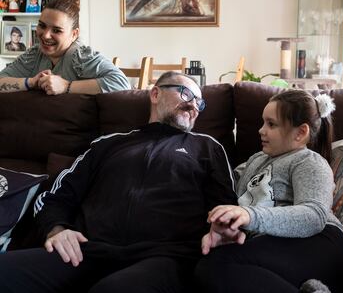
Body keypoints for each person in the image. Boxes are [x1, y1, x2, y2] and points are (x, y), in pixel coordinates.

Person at [0, 71, 237, 293]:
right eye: (186, 94)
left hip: (163, 257)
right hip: (84, 250)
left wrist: (223, 229)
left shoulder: (207, 147)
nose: (194, 105)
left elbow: (226, 206)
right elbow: (56, 196)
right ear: (155, 94)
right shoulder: (108, 143)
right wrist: (56, 230)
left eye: (200, 102)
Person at [195, 90, 343, 293]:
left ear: (300, 133)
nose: (261, 130)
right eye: (262, 123)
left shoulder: (308, 161)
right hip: (273, 247)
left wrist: (249, 215)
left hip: (320, 244)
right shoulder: (256, 160)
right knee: (209, 265)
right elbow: (226, 186)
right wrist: (227, 226)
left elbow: (315, 215)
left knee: (216, 267)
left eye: (271, 124)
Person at [0, 0, 129, 95]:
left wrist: (66, 86)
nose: (45, 35)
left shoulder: (80, 56)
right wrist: (31, 82)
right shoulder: (34, 54)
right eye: (42, 26)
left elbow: (121, 83)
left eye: (56, 30)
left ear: (74, 34)